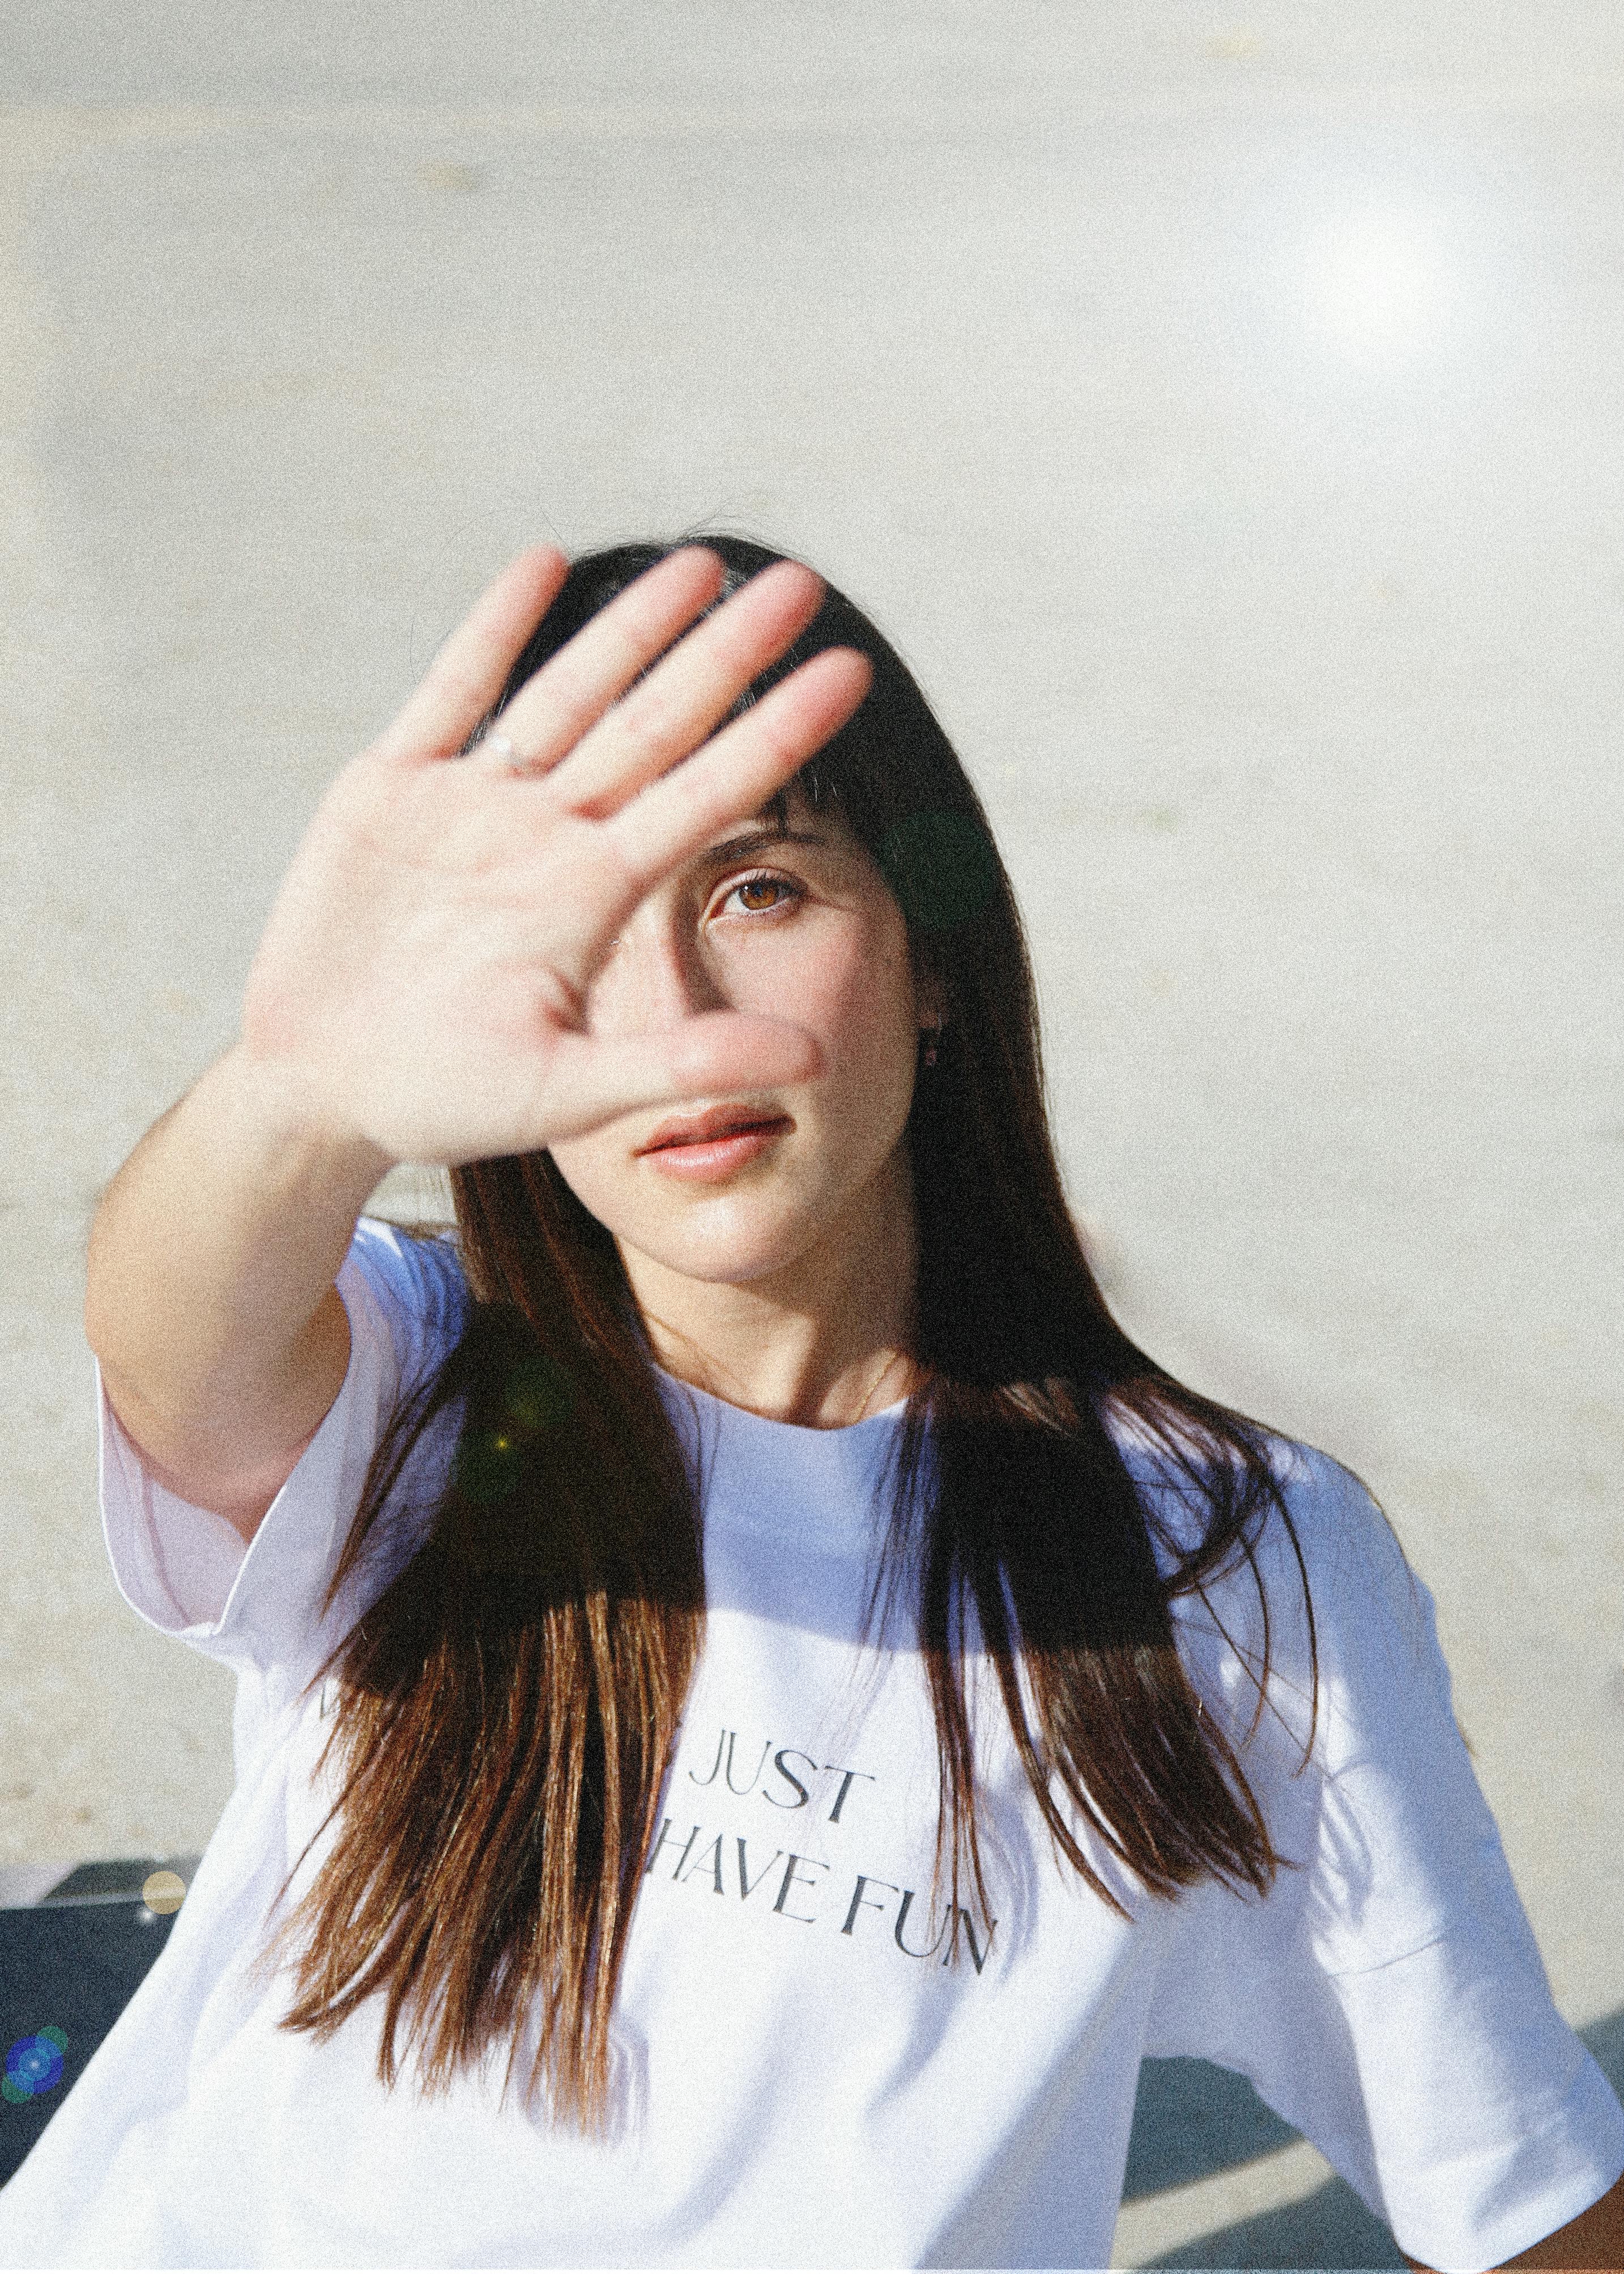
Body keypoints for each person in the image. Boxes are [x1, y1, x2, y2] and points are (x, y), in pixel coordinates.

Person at [0, 537, 1619, 2271]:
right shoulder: (423, 1372)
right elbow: (176, 1348)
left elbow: (1515, 2187)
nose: (672, 1018)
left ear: (932, 960)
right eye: (580, 938)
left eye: (756, 890)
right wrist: (302, 1095)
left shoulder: (1233, 1560)